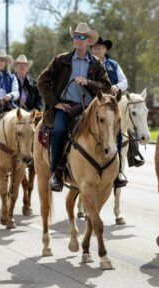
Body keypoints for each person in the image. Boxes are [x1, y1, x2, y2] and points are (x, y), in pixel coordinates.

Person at [37, 22, 111, 192]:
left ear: (89, 42)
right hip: (66, 107)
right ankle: (56, 172)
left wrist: (88, 82)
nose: (78, 39)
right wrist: (55, 103)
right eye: (76, 36)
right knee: (60, 130)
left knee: (110, 127)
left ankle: (115, 172)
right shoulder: (61, 60)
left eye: (82, 37)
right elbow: (42, 81)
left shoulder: (96, 63)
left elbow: (106, 87)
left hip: (88, 108)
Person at [92, 37, 144, 185]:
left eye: (100, 47)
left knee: (123, 128)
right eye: (94, 48)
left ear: (105, 50)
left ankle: (125, 163)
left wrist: (117, 86)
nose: (97, 50)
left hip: (113, 104)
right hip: (93, 102)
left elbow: (124, 82)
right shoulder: (88, 63)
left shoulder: (113, 65)